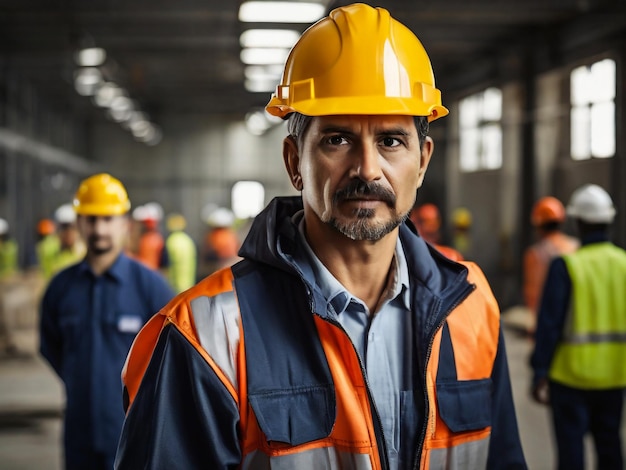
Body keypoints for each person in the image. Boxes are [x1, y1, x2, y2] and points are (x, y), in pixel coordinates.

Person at [115, 4, 526, 469]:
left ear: (423, 160)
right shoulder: (208, 334)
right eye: (337, 139)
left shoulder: (472, 307)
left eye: (391, 140)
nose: (368, 168)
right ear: (294, 162)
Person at [39, 173, 175, 470]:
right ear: (79, 223)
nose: (99, 229)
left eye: (108, 219)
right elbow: (51, 347)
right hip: (79, 432)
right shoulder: (61, 289)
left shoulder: (151, 289)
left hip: (134, 432)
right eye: (90, 219)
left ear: (125, 223)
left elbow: (175, 358)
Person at [530, 184, 626, 470]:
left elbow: (549, 325)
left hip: (569, 378)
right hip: (614, 376)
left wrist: (539, 371)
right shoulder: (623, 264)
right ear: (609, 220)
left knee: (571, 453)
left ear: (578, 222)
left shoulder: (567, 266)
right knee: (610, 447)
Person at [523, 196, 579, 334]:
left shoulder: (534, 254)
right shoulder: (576, 247)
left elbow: (532, 294)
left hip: (548, 320)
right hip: (575, 319)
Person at [50, 203, 87, 276]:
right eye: (64, 228)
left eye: (71, 228)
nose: (68, 233)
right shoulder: (50, 253)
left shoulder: (86, 254)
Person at [164, 213, 197, 293]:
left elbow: (166, 264)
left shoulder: (171, 241)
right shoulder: (188, 240)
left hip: (174, 287)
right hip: (189, 284)